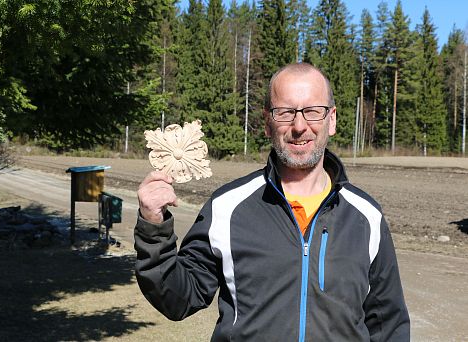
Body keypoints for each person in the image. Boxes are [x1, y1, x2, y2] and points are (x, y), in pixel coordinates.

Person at [134, 62, 410, 341]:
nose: (299, 126)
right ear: (267, 122)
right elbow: (178, 299)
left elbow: (388, 324)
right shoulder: (227, 208)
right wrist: (153, 226)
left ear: (332, 120)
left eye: (313, 111)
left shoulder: (367, 217)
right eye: (285, 112)